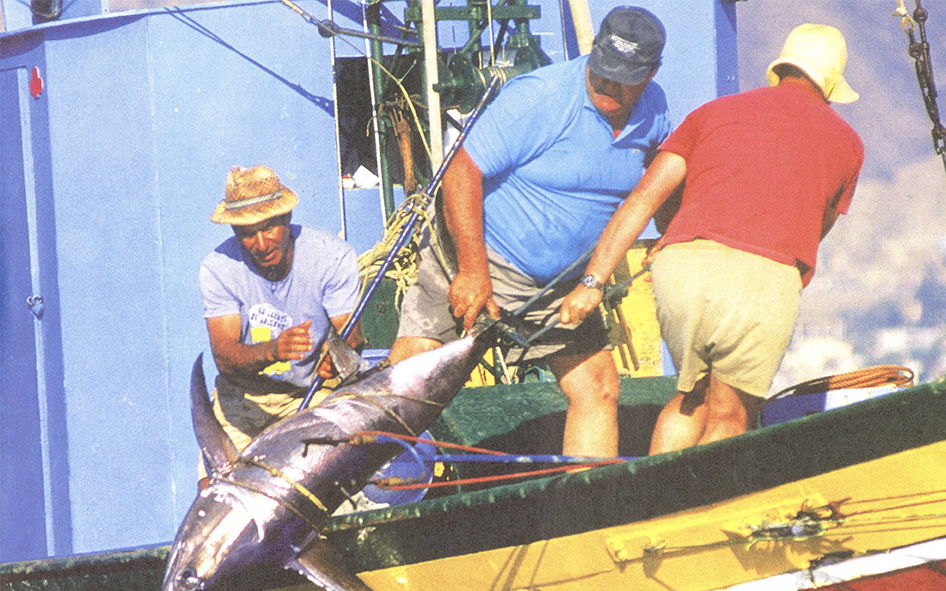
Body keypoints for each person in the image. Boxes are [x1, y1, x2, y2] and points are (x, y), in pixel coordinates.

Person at [560, 23, 865, 454]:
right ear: (831, 84)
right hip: (761, 277)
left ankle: (649, 508)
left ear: (781, 69)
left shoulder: (713, 112)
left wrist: (592, 282)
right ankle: (698, 514)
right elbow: (817, 229)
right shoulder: (848, 144)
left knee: (691, 400)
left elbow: (643, 199)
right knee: (729, 416)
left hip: (681, 267)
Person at [388, 6, 671, 458]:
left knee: (597, 388)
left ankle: (586, 516)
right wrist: (473, 270)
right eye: (602, 74)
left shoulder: (655, 111)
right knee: (409, 381)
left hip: (561, 286)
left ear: (651, 73)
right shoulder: (541, 96)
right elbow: (461, 173)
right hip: (481, 257)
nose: (608, 88)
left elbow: (660, 180)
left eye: (625, 80)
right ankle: (362, 487)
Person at [198, 165, 363, 484]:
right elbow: (225, 358)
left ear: (287, 219)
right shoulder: (217, 268)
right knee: (214, 490)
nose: (261, 243)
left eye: (269, 227)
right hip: (244, 397)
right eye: (247, 233)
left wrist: (338, 353)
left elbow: (351, 336)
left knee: (320, 487)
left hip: (311, 393)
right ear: (234, 231)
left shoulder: (332, 256)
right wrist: (275, 350)